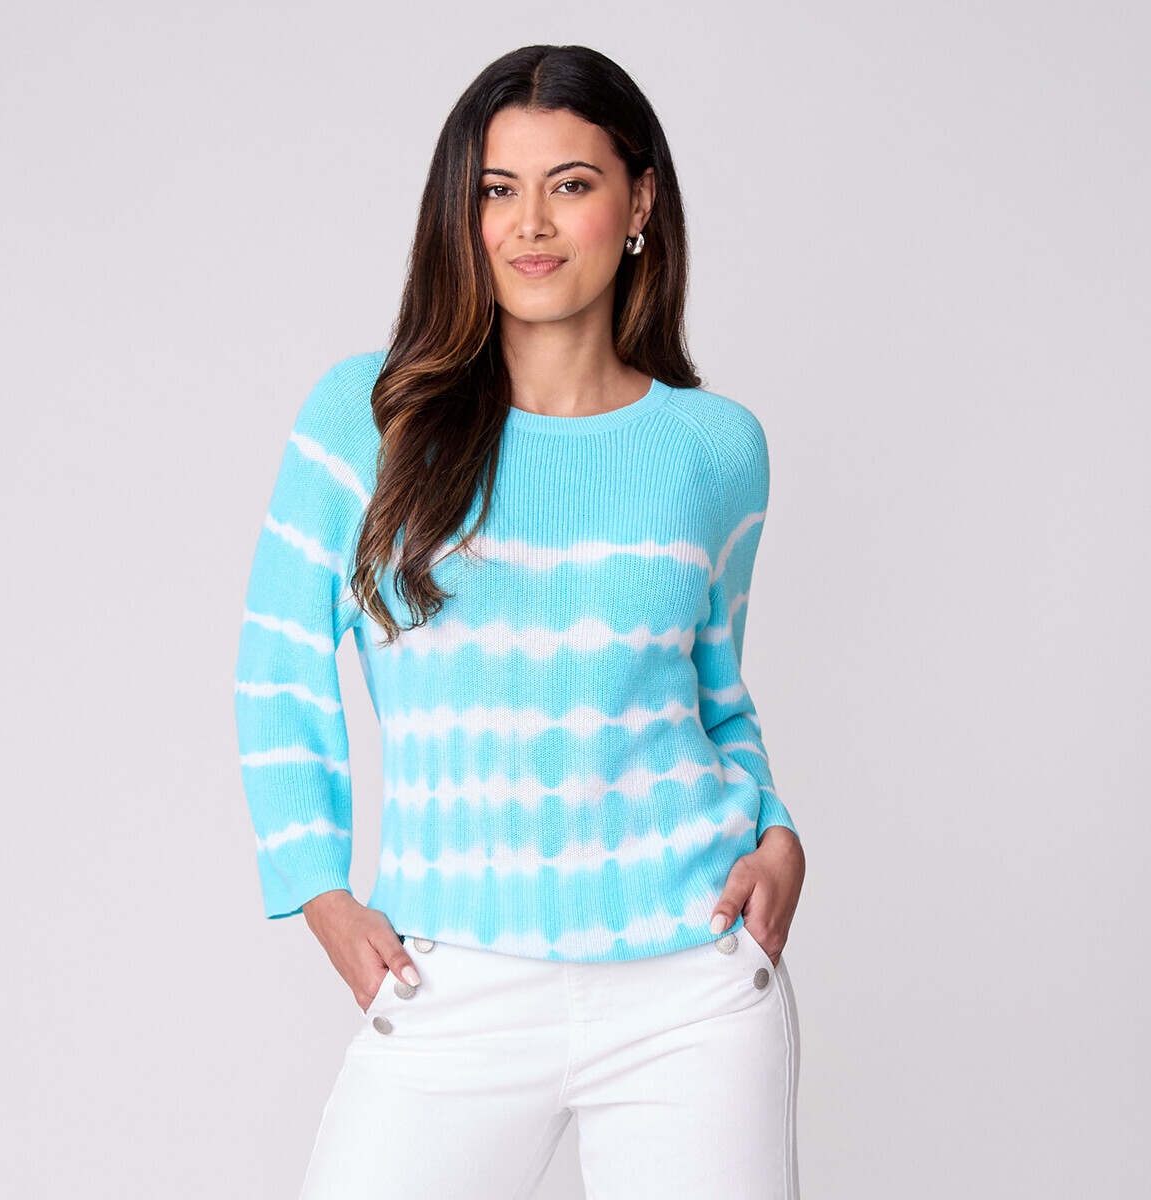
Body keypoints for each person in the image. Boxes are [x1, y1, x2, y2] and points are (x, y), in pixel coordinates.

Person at [233, 42, 805, 1200]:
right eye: (498, 189)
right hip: (455, 979)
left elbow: (711, 693)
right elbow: (275, 667)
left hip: (692, 983)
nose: (530, 224)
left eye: (571, 184)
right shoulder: (368, 417)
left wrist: (778, 831)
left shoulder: (715, 448)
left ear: (638, 202)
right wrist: (319, 891)